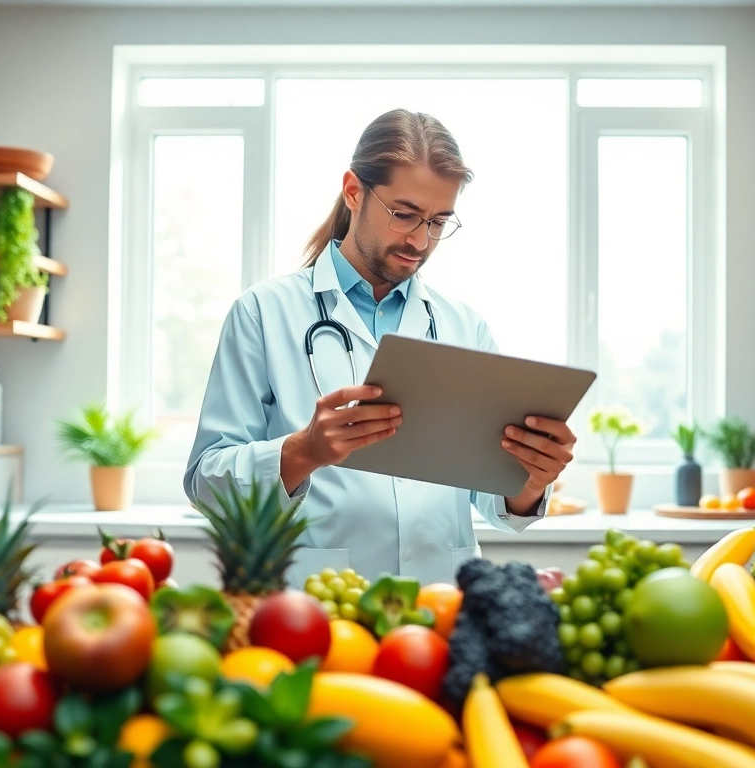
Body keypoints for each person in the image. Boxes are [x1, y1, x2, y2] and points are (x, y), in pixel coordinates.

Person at [184, 108, 577, 587]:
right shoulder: (263, 312)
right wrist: (304, 451)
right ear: (354, 191)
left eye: (438, 221)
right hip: (314, 603)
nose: (420, 240)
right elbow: (205, 483)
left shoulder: (463, 326)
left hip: (437, 602)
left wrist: (531, 479)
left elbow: (496, 501)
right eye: (404, 215)